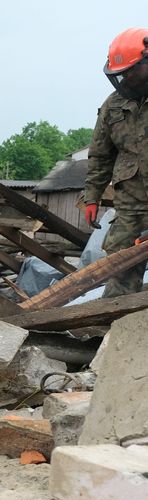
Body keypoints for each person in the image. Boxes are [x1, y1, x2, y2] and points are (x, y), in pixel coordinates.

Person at [84, 27, 148, 298]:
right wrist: (91, 197)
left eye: (133, 70)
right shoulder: (112, 106)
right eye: (122, 72)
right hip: (131, 202)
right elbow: (100, 155)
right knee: (121, 264)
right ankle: (114, 328)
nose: (127, 77)